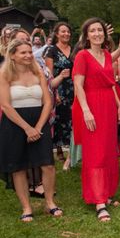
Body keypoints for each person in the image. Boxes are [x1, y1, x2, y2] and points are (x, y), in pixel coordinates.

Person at [0, 39, 62, 221]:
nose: (28, 55)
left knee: (48, 165)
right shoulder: (4, 75)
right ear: (12, 55)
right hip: (14, 124)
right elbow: (5, 105)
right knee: (18, 167)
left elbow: (48, 101)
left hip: (39, 122)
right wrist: (27, 129)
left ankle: (50, 203)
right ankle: (26, 208)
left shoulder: (39, 72)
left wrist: (38, 127)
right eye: (23, 53)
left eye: (29, 52)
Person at [72, 18, 120, 222]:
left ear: (104, 34)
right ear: (86, 35)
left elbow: (111, 83)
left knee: (109, 150)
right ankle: (98, 200)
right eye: (92, 31)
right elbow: (78, 85)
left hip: (109, 106)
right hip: (91, 105)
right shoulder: (82, 56)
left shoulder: (107, 56)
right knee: (95, 153)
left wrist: (119, 105)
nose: (97, 34)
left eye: (99, 30)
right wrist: (86, 111)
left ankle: (107, 193)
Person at [44, 22, 74, 162]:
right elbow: (49, 74)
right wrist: (54, 93)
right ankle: (60, 148)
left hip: (74, 88)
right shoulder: (51, 51)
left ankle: (72, 151)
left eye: (68, 32)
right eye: (63, 31)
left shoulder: (74, 50)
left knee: (72, 119)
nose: (66, 34)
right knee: (59, 120)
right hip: (59, 88)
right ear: (57, 34)